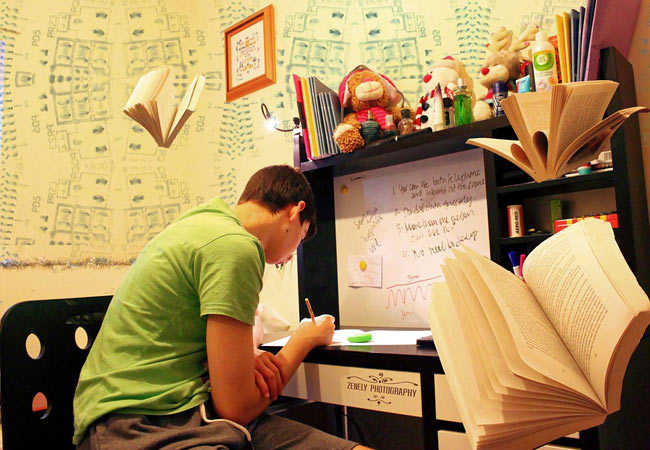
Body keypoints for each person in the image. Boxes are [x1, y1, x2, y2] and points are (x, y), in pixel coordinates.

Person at [73, 165, 370, 449]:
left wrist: (244, 355)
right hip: (137, 422)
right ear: (295, 212)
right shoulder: (236, 247)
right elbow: (237, 408)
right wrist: (303, 340)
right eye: (300, 238)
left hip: (168, 406)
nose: (292, 256)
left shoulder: (204, 222)